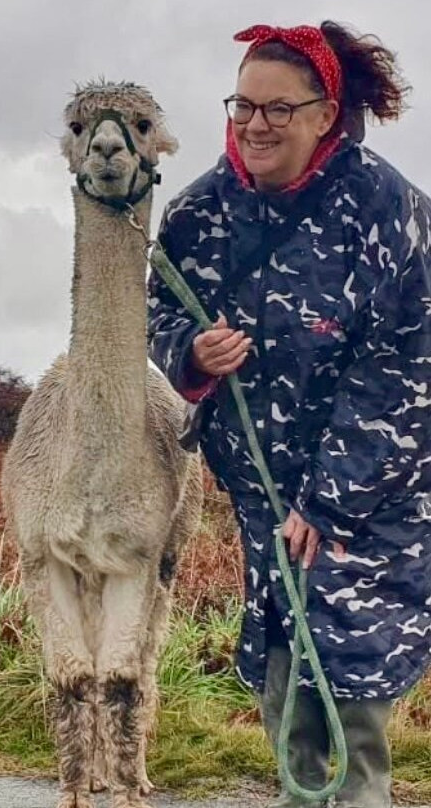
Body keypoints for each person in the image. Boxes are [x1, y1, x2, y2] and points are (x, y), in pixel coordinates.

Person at [148, 21, 430, 808]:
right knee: (285, 702)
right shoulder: (199, 215)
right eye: (242, 105)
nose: (255, 123)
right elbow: (159, 307)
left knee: (349, 712)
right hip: (264, 506)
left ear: (324, 115)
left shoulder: (388, 212)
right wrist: (190, 354)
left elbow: (404, 372)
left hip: (363, 512)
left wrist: (329, 500)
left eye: (278, 108)